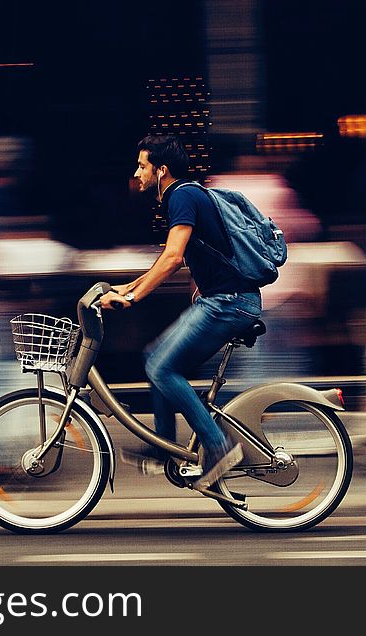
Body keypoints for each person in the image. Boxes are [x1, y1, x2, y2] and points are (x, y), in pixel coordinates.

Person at [100, 135, 260, 490]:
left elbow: (172, 258)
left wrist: (133, 298)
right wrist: (128, 287)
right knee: (154, 355)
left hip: (229, 302)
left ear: (162, 170)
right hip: (221, 301)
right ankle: (165, 448)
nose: (137, 172)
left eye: (142, 165)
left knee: (160, 366)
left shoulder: (182, 195)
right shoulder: (185, 195)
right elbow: (169, 262)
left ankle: (219, 447)